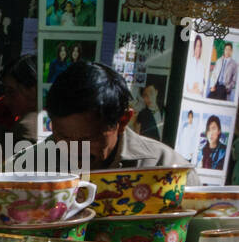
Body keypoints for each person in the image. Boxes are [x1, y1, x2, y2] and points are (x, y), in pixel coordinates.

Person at [10, 61, 191, 173]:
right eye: (63, 137)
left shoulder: (166, 169)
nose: (74, 150)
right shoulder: (23, 168)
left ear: (123, 121)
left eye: (87, 139)